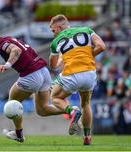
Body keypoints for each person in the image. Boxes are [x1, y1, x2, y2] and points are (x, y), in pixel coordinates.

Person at [0, 28, 80, 142]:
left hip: (31, 75)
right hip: (43, 72)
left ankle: (18, 134)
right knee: (42, 110)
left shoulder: (2, 44)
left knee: (11, 103)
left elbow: (16, 50)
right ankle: (71, 110)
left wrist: (7, 65)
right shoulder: (8, 39)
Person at [49, 14, 106, 145]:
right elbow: (102, 46)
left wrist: (61, 59)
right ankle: (87, 137)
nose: (53, 34)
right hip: (89, 74)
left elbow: (53, 66)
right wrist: (88, 56)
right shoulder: (87, 30)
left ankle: (72, 111)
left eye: (53, 30)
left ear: (60, 27)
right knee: (85, 104)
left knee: (55, 97)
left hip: (71, 75)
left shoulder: (56, 42)